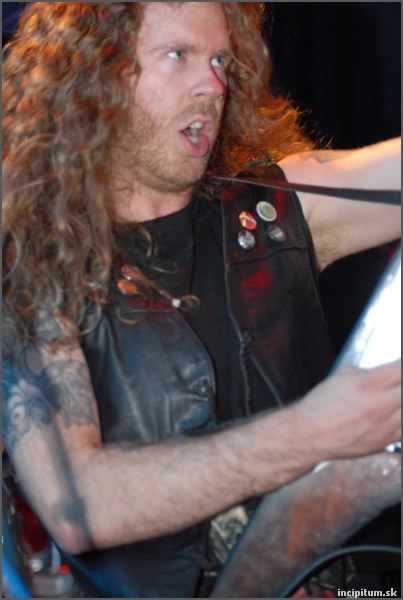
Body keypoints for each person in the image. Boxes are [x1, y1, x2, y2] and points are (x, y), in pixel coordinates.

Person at [2, 2, 401, 598]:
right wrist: (315, 430)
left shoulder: (271, 213)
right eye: (178, 55)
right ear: (95, 78)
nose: (213, 85)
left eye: (219, 60)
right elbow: (79, 505)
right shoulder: (33, 266)